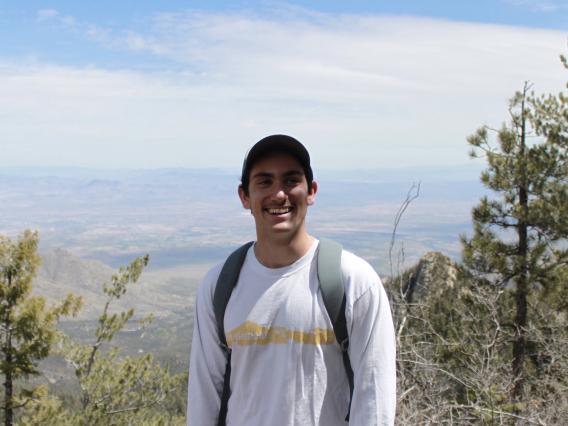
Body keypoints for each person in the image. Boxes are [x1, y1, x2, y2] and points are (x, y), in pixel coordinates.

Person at [187, 135, 396, 425]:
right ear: (244, 196)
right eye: (264, 182)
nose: (279, 194)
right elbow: (203, 397)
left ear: (311, 191)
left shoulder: (354, 282)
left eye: (290, 180)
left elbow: (374, 401)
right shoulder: (219, 286)